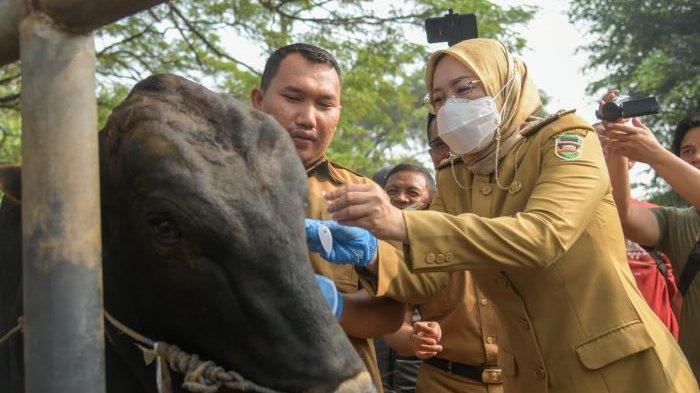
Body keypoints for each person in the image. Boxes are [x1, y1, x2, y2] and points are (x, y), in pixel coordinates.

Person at [319, 38, 698, 392]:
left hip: (620, 370)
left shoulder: (567, 140)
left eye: (465, 89)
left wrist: (402, 223)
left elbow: (543, 237)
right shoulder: (456, 176)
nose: (450, 106)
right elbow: (427, 278)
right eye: (438, 98)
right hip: (530, 377)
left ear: (507, 86)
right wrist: (370, 252)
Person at [250, 43, 405, 391]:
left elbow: (391, 314)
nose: (308, 118)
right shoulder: (215, 183)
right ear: (258, 101)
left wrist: (327, 304)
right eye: (293, 97)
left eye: (324, 104)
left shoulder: (365, 197)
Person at [599, 106, 700, 377]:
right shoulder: (677, 222)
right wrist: (618, 146)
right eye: (687, 151)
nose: (696, 157)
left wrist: (654, 154)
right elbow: (623, 216)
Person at [594, 122, 681, 339]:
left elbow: (679, 292)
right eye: (600, 143)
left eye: (616, 142)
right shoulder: (564, 219)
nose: (607, 150)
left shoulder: (655, 218)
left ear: (631, 159)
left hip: (662, 347)